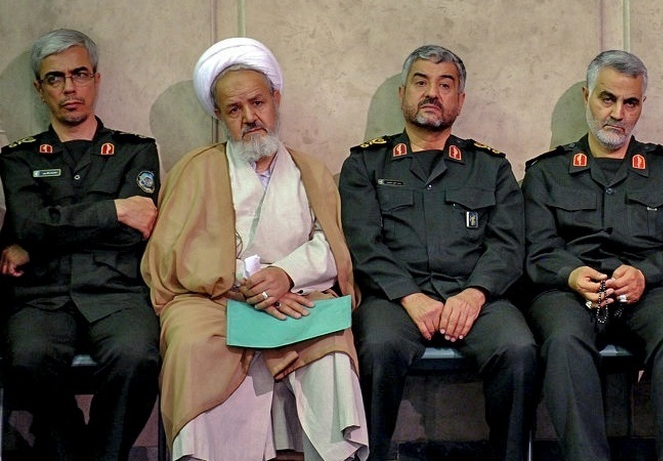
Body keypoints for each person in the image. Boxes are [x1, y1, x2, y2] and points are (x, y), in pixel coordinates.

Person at [140, 37, 367, 461]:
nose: (249, 117)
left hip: (296, 295)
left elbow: (330, 244)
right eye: (234, 109)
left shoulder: (310, 171)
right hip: (215, 301)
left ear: (276, 100)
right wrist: (248, 283)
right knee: (191, 343)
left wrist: (285, 276)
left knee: (332, 346)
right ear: (220, 116)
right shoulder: (194, 169)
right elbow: (171, 255)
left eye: (258, 103)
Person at [338, 44, 537, 461]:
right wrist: (410, 296)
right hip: (395, 299)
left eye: (445, 85)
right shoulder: (366, 165)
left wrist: (474, 294)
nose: (432, 93)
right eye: (421, 82)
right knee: (378, 348)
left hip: (477, 297)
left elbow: (507, 244)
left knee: (518, 349)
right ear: (402, 94)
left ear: (459, 101)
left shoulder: (491, 167)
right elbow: (363, 243)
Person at [522, 50, 663, 461]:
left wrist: (646, 274)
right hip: (570, 292)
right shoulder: (546, 173)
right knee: (564, 340)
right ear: (587, 97)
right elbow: (535, 250)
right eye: (607, 99)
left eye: (631, 102)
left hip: (653, 290)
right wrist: (571, 274)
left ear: (642, 105)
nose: (618, 114)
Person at [0, 28, 160, 461]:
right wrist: (114, 210)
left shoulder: (135, 152)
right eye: (55, 78)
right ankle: (72, 449)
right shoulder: (18, 158)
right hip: (43, 296)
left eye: (79, 74)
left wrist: (46, 232)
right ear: (40, 89)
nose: (69, 88)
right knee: (27, 358)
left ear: (96, 79)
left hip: (116, 293)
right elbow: (29, 225)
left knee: (138, 358)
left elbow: (136, 228)